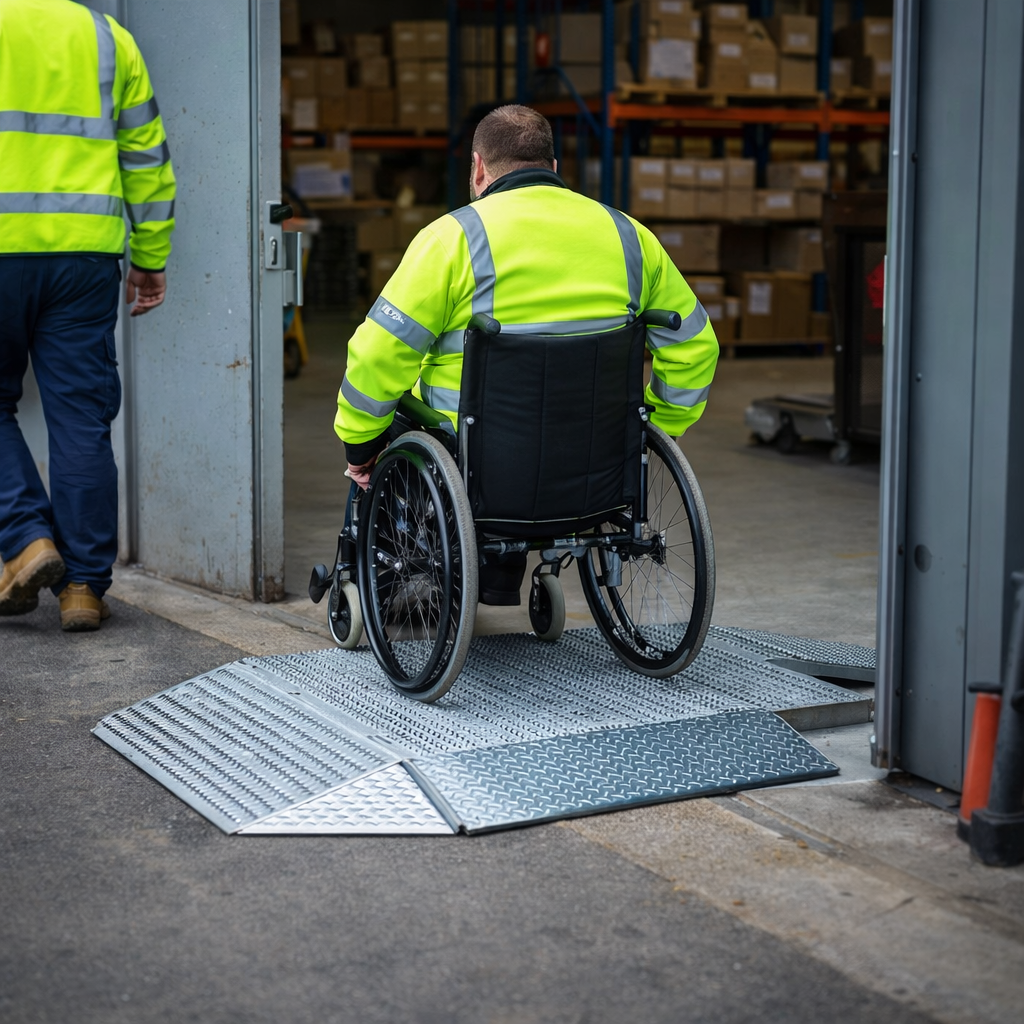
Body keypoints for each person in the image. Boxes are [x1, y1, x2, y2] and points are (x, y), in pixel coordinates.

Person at [334, 104, 717, 604]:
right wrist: (658, 425)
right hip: (597, 459)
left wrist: (359, 445)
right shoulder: (629, 237)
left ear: (477, 168)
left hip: (477, 461)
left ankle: (402, 587)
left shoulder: (453, 239)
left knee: (393, 423)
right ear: (554, 169)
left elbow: (378, 353)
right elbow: (694, 343)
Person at [0, 0, 176, 630]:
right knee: (81, 417)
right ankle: (83, 587)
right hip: (84, 256)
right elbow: (146, 158)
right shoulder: (108, 38)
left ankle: (25, 539)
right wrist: (150, 255)